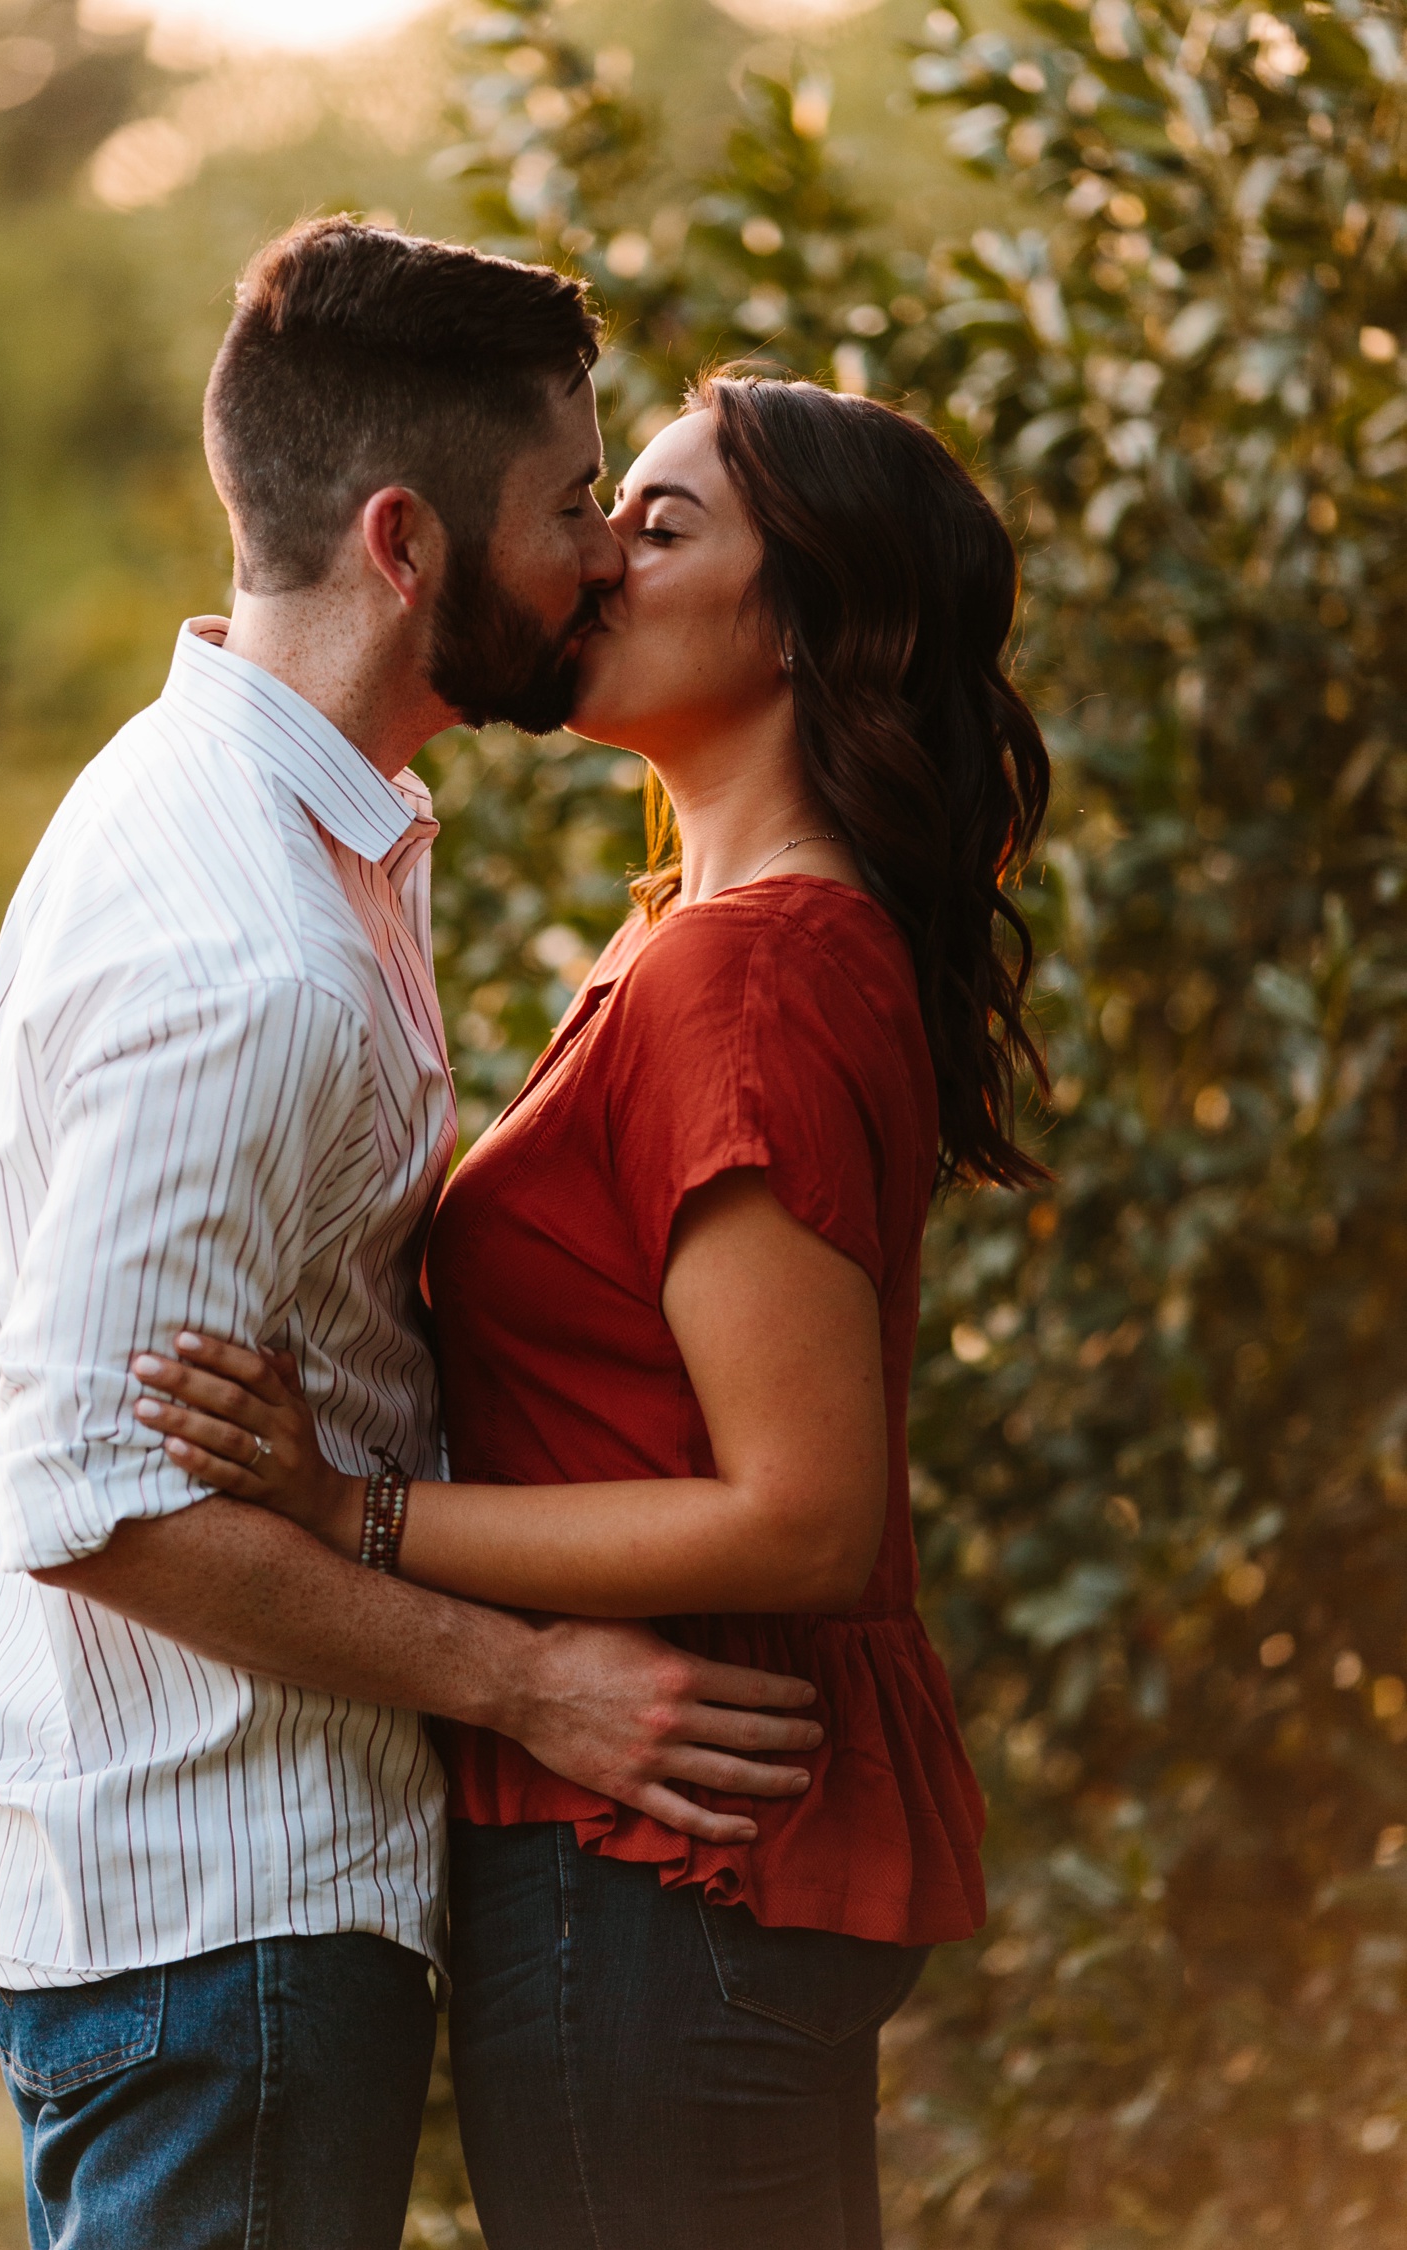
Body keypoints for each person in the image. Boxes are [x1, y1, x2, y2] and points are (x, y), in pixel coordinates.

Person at [0, 226, 824, 2250]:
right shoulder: (248, 948)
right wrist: (536, 1687)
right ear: (408, 545)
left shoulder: (244, 807)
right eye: (573, 507)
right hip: (212, 1904)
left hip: (188, 1893)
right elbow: (95, 1498)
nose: (599, 557)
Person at [136, 370, 1053, 2249]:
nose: (594, 560)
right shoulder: (705, 937)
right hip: (672, 1842)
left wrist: (352, 1516)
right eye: (604, 510)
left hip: (664, 1852)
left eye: (662, 524)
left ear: (806, 624)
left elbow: (802, 1511)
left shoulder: (751, 972)